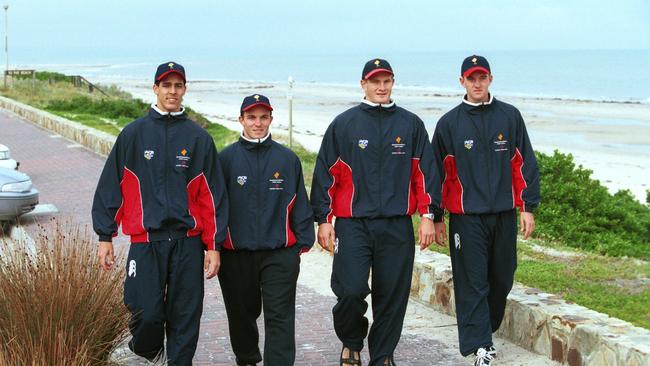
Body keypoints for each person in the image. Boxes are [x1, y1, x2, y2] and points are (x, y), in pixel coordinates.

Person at [92, 61, 228, 365]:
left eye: (178, 86)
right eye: (166, 85)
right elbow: (110, 187)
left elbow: (212, 198)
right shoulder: (133, 135)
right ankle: (148, 350)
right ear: (155, 89)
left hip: (188, 243)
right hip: (146, 242)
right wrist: (105, 236)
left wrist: (213, 246)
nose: (172, 91)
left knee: (185, 319)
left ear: (184, 90)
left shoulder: (198, 138)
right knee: (146, 313)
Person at [311, 59, 437, 366]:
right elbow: (325, 173)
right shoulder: (344, 124)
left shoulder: (411, 125)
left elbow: (425, 174)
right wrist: (323, 219)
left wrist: (428, 216)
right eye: (375, 81)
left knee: (392, 296)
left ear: (393, 83)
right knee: (351, 290)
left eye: (386, 81)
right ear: (363, 84)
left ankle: (382, 355)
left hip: (396, 225)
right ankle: (352, 340)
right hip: (353, 225)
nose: (381, 87)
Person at [429, 55, 540, 366]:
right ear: (461, 82)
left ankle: (484, 329)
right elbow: (437, 171)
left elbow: (524, 163)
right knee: (472, 280)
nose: (477, 83)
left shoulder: (509, 116)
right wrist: (435, 216)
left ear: (490, 79)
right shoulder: (449, 124)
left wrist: (527, 207)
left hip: (503, 214)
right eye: (471, 78)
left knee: (502, 278)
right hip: (466, 218)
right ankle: (480, 346)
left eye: (482, 77)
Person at [217, 94, 314, 366]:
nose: (257, 123)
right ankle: (247, 359)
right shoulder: (225, 160)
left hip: (279, 255)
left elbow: (300, 203)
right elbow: (215, 206)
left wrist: (300, 245)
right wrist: (212, 245)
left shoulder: (287, 159)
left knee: (280, 316)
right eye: (251, 117)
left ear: (271, 119)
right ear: (241, 120)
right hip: (236, 255)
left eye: (263, 117)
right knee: (241, 314)